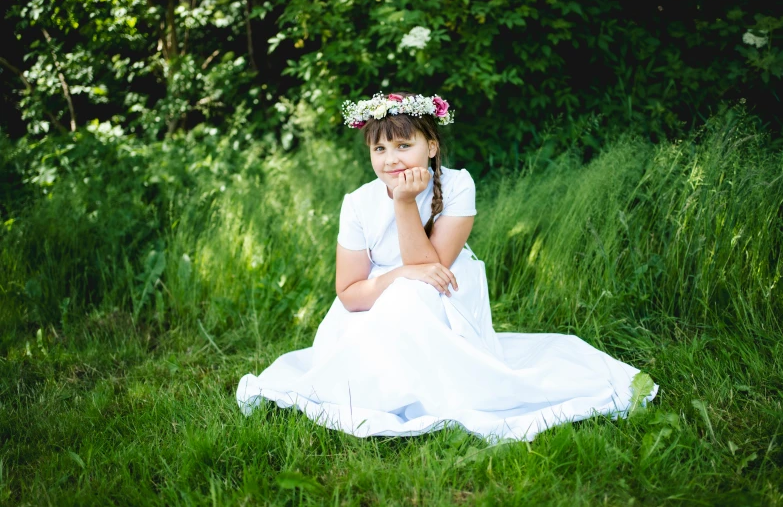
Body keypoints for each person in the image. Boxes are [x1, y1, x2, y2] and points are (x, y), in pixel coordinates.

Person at [236, 92, 657, 442]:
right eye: (379, 148)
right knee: (398, 297)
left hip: (443, 287)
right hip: (375, 296)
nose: (390, 159)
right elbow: (348, 292)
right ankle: (386, 389)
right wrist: (397, 273)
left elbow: (431, 266)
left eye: (404, 146)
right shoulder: (358, 202)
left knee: (413, 294)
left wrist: (404, 203)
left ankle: (430, 388)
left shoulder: (457, 185)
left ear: (431, 146)